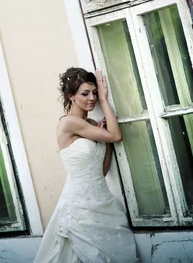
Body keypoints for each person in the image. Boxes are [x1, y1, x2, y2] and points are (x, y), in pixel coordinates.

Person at [34, 67, 139, 263]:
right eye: (85, 93)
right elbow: (116, 136)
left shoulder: (90, 123)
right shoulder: (68, 123)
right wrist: (105, 100)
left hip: (101, 201)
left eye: (95, 93)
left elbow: (102, 171)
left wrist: (103, 141)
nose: (92, 98)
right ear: (71, 96)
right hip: (79, 205)